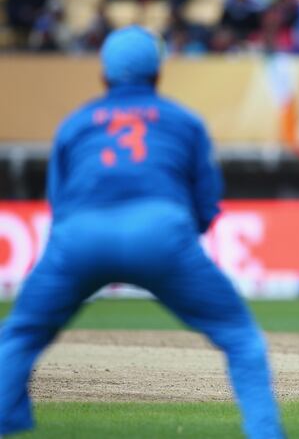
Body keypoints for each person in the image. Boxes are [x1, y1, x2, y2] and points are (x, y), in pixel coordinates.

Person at [0, 26, 283, 438]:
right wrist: (175, 249)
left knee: (20, 336)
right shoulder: (184, 121)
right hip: (160, 232)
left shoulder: (76, 123)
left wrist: (80, 257)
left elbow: (59, 204)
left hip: (80, 235)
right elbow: (205, 203)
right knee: (241, 340)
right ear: (158, 75)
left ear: (103, 76)